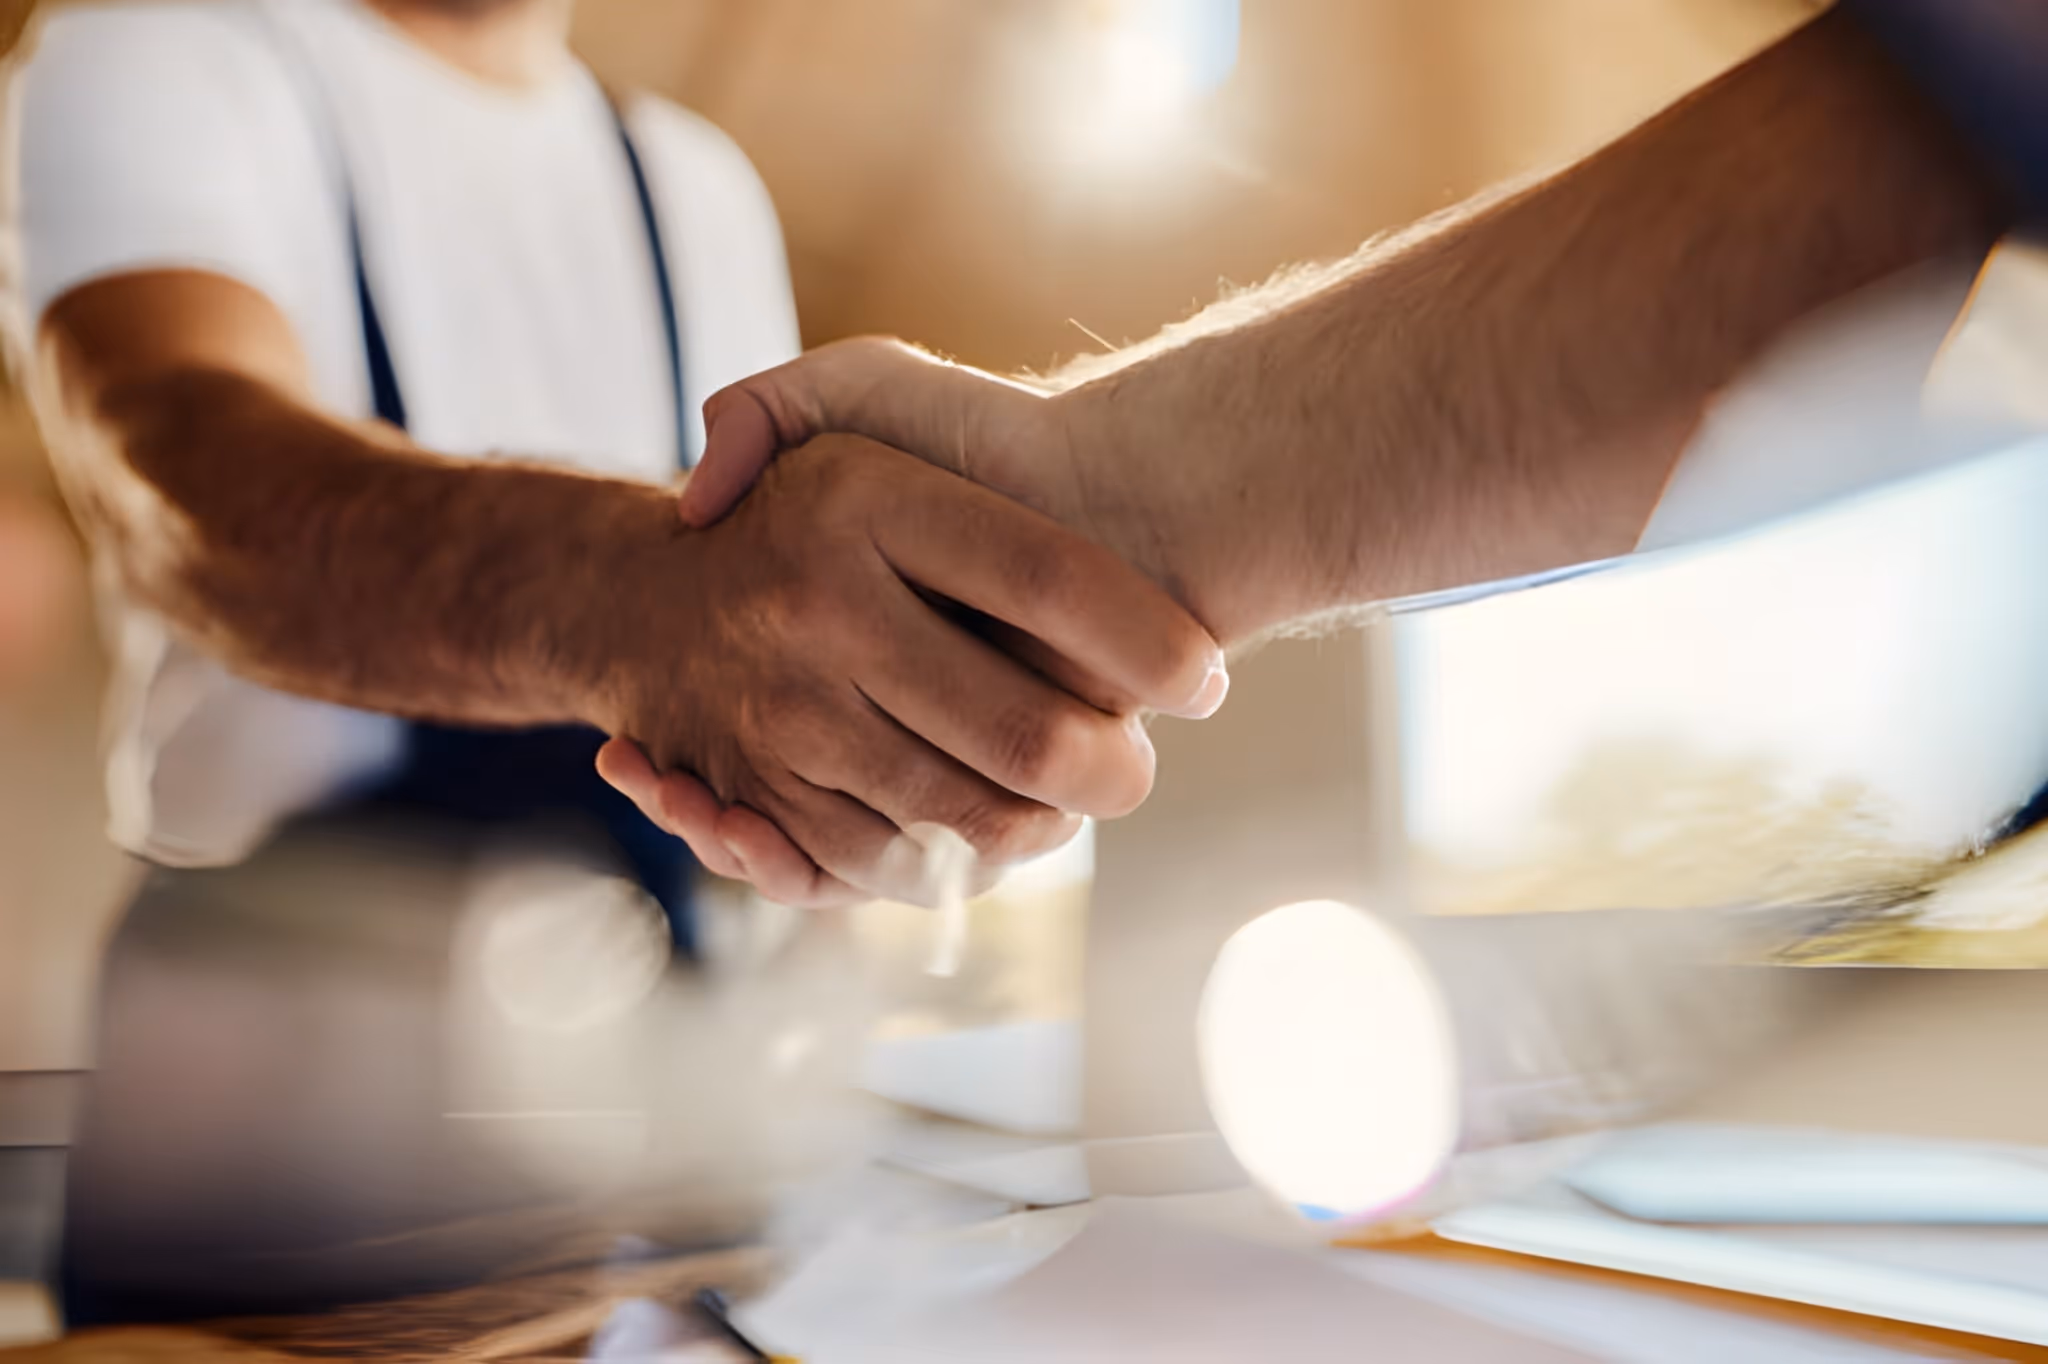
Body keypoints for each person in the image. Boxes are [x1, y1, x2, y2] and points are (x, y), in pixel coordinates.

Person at [617, 2, 2045, 899]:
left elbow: (1928, 146)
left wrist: (1079, 510)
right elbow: (1922, 151)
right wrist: (1091, 503)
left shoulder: (692, 193)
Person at [8, 0, 1226, 931]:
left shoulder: (694, 182)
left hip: (652, 1057)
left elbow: (769, 674)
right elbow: (187, 487)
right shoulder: (155, 53)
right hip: (269, 1050)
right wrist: (640, 606)